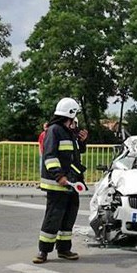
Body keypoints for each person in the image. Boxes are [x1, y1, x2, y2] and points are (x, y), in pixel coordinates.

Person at [33, 97, 88, 264]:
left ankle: (64, 249)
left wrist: (82, 142)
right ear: (69, 114)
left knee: (69, 217)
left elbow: (75, 154)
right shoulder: (54, 130)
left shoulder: (70, 132)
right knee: (53, 217)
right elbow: (50, 156)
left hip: (71, 182)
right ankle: (43, 251)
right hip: (58, 184)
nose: (75, 121)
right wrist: (59, 176)